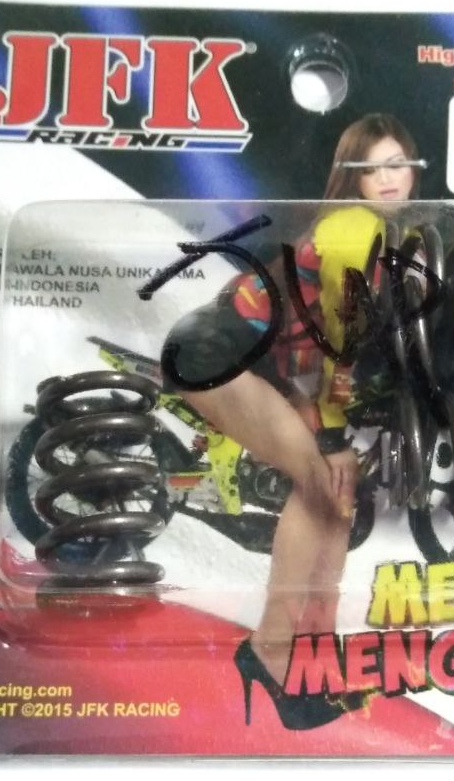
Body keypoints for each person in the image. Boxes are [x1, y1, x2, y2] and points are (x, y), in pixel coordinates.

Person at [164, 114, 424, 728]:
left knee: (339, 497)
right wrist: (330, 436)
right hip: (214, 354)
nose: (389, 179)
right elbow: (339, 342)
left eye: (398, 164)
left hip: (264, 362)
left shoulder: (384, 233)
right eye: (373, 168)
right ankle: (271, 649)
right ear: (352, 177)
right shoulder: (353, 232)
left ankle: (313, 653)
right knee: (316, 480)